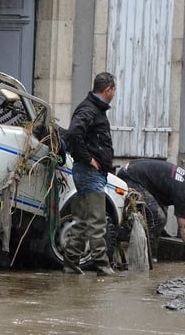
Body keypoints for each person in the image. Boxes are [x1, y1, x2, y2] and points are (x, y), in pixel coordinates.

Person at [62, 72, 117, 276]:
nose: (114, 94)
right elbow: (74, 133)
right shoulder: (89, 109)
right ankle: (103, 267)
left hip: (89, 173)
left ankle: (70, 264)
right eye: (114, 90)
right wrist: (89, 159)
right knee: (97, 221)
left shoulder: (93, 109)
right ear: (108, 90)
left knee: (83, 221)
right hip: (89, 173)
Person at [116, 159, 185, 265]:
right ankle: (144, 256)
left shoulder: (184, 181)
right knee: (158, 218)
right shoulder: (181, 190)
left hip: (133, 172)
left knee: (161, 215)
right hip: (131, 177)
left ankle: (147, 249)